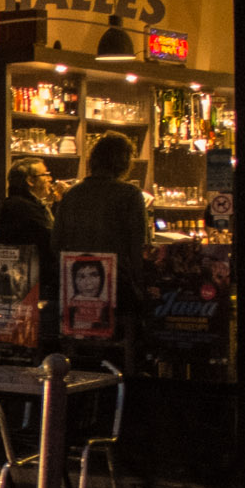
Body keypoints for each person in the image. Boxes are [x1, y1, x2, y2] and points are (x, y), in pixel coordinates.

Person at [53, 131, 151, 370]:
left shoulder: (72, 195)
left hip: (74, 289)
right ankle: (126, 382)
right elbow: (138, 247)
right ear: (124, 162)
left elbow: (55, 244)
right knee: (142, 325)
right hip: (117, 287)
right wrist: (142, 288)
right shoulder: (129, 195)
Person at [0, 158, 63, 333]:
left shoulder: (22, 204)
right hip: (34, 282)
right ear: (30, 180)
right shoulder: (21, 207)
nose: (50, 179)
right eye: (45, 175)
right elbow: (51, 239)